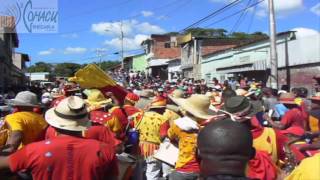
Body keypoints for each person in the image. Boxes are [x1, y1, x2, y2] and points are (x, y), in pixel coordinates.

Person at [0, 96, 118, 180]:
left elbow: (4, 164)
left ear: (54, 123)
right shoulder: (105, 150)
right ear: (85, 122)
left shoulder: (33, 150)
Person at [168, 94, 213, 180]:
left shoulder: (177, 125)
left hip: (182, 167)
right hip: (202, 170)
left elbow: (170, 136)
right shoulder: (207, 128)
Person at [131, 97, 169, 180]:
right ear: (159, 109)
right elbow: (163, 136)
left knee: (139, 170)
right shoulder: (163, 119)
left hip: (139, 147)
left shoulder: (139, 115)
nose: (164, 111)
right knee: (152, 171)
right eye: (164, 109)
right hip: (154, 148)